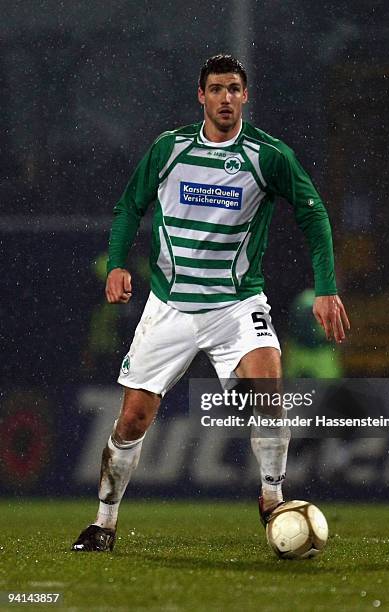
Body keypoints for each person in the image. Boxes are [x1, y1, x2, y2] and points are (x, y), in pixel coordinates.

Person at [71, 54, 350, 552]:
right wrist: (116, 262)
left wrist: (326, 287)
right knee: (132, 418)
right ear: (201, 96)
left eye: (235, 88)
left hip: (236, 306)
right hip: (170, 306)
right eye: (217, 89)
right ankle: (103, 523)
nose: (226, 97)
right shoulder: (169, 149)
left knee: (268, 393)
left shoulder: (269, 156)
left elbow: (314, 216)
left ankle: (271, 497)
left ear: (246, 96)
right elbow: (130, 205)